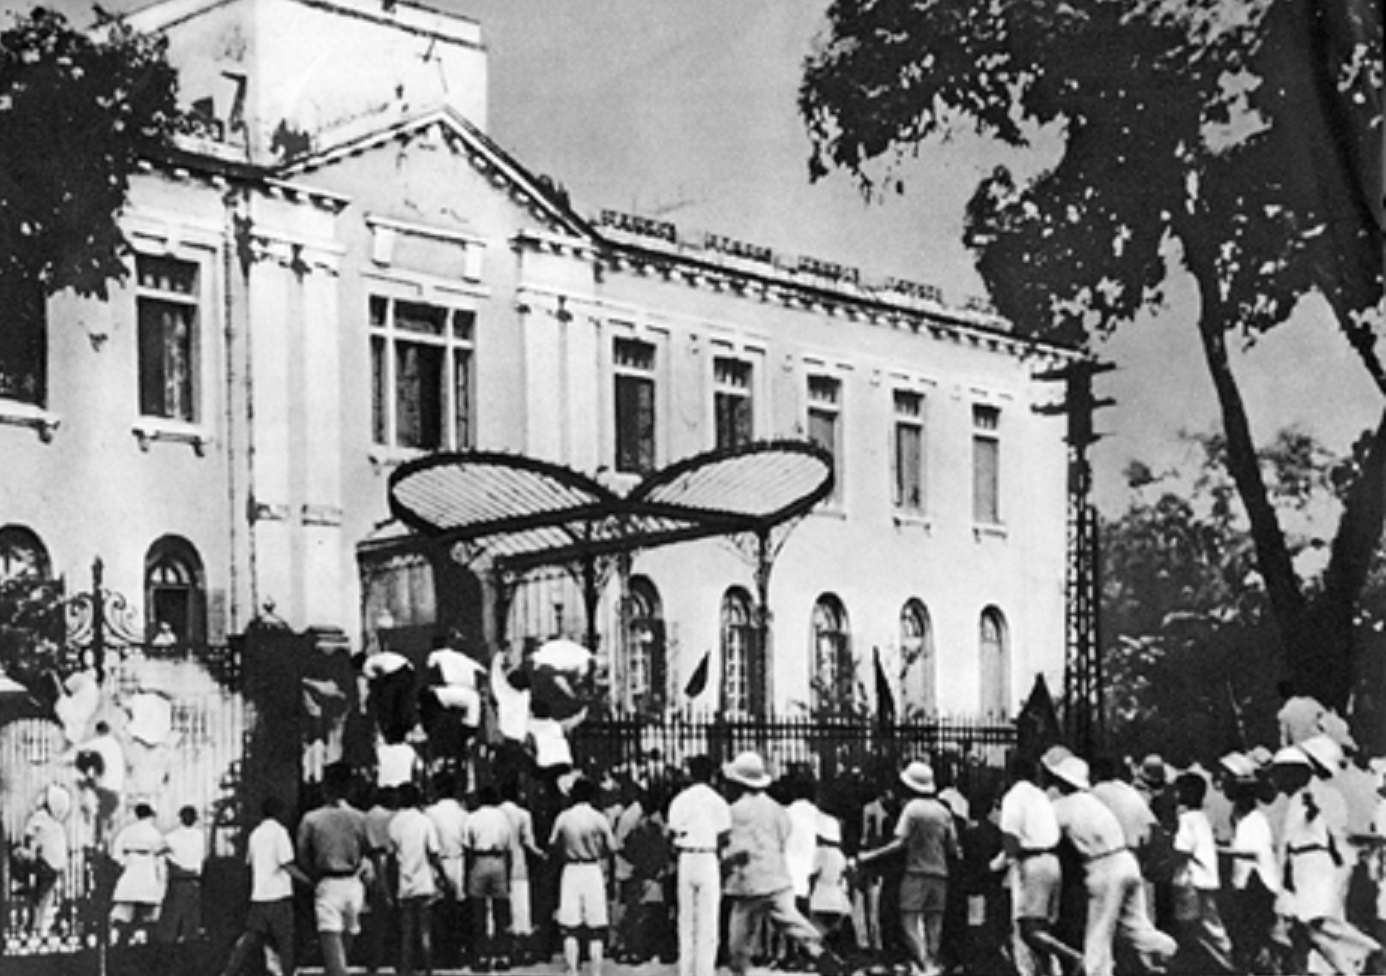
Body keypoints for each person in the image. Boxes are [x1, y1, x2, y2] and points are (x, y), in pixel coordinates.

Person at [1044, 753, 1176, 976]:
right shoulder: (1093, 803)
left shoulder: (1063, 806)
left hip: (1102, 867)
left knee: (1098, 934)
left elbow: (1042, 833)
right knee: (1136, 926)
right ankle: (1172, 949)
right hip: (1126, 861)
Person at [721, 752, 843, 976]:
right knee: (791, 921)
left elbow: (730, 846)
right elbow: (784, 834)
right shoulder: (777, 809)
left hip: (747, 882)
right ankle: (819, 950)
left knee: (740, 940)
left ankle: (743, 969)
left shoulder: (733, 811)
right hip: (777, 878)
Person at [854, 761, 959, 976]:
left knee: (908, 922)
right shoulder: (943, 811)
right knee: (934, 923)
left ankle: (924, 965)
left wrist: (868, 856)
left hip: (915, 872)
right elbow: (953, 846)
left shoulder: (911, 809)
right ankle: (932, 961)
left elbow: (899, 843)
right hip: (940, 874)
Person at [992, 755, 1077, 976]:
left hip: (1030, 864)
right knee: (1042, 926)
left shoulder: (1014, 796)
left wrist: (1005, 866)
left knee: (1027, 928)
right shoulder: (1040, 796)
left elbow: (1011, 837)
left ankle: (1073, 958)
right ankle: (1047, 971)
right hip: (1051, 861)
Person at [219, 796, 310, 976]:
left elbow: (249, 863)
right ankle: (287, 973)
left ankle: (229, 971)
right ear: (280, 812)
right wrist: (307, 881)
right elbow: (286, 863)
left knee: (250, 937)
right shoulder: (280, 832)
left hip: (259, 895)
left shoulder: (256, 834)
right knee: (285, 940)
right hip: (279, 896)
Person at [297, 762, 371, 976]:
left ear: (325, 787)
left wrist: (313, 877)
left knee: (332, 949)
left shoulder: (311, 819)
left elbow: (303, 856)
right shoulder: (360, 818)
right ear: (349, 787)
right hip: (354, 883)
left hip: (327, 882)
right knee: (345, 949)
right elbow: (367, 850)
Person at [666, 754, 732, 976]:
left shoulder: (680, 800)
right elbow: (725, 835)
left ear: (690, 774)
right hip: (708, 858)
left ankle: (686, 971)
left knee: (686, 921)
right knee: (708, 923)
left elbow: (671, 831)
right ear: (711, 774)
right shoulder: (718, 801)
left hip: (686, 858)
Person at [549, 776, 618, 976]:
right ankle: (596, 972)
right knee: (596, 925)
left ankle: (572, 971)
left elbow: (553, 845)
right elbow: (612, 848)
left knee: (570, 926)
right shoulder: (598, 818)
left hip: (571, 870)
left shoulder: (564, 817)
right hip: (592, 870)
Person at [1169, 772, 1234, 972]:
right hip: (1206, 879)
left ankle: (1226, 963)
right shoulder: (1201, 817)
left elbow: (1182, 849)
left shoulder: (1187, 819)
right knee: (1209, 926)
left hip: (1193, 881)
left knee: (1198, 925)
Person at [1220, 772, 1280, 973]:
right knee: (1249, 930)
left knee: (1257, 929)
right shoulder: (1241, 819)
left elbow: (1249, 851)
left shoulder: (1256, 820)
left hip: (1258, 882)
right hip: (1246, 881)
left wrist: (1215, 849)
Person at [389, 782, 445, 976]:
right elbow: (434, 853)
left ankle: (406, 970)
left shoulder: (395, 822)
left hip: (404, 882)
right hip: (424, 881)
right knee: (425, 931)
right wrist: (442, 876)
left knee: (406, 933)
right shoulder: (424, 821)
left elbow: (391, 853)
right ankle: (428, 969)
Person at [468, 783, 517, 970]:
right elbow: (510, 848)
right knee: (501, 910)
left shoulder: (472, 818)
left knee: (478, 910)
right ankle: (502, 955)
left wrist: (469, 872)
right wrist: (509, 873)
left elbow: (468, 846)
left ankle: (481, 956)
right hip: (498, 861)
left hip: (479, 860)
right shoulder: (502, 818)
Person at [425, 771, 470, 967]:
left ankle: (440, 953)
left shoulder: (429, 813)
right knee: (458, 911)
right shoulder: (464, 814)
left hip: (437, 862)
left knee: (438, 910)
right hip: (458, 861)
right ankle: (456, 952)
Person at [499, 777, 545, 964]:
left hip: (500, 864)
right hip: (519, 864)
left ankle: (504, 948)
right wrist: (542, 855)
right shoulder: (523, 815)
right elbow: (528, 843)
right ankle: (522, 949)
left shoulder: (496, 813)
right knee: (520, 908)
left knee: (501, 907)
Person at [110, 802, 168, 946]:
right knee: (148, 917)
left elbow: (115, 853)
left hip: (133, 870)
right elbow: (161, 859)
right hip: (147, 871)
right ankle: (148, 946)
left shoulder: (127, 832)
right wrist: (161, 881)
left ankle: (122, 945)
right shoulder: (155, 834)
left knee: (126, 915)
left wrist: (125, 862)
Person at [157, 804, 207, 970]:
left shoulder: (171, 837)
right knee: (190, 925)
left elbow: (158, 852)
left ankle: (168, 964)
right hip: (192, 882)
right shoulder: (200, 836)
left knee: (172, 925)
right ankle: (190, 964)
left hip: (179, 882)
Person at [19, 784, 71, 937]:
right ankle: (39, 928)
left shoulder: (39, 818)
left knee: (39, 899)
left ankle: (35, 928)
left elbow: (28, 838)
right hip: (55, 865)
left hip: (43, 864)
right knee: (43, 899)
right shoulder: (57, 825)